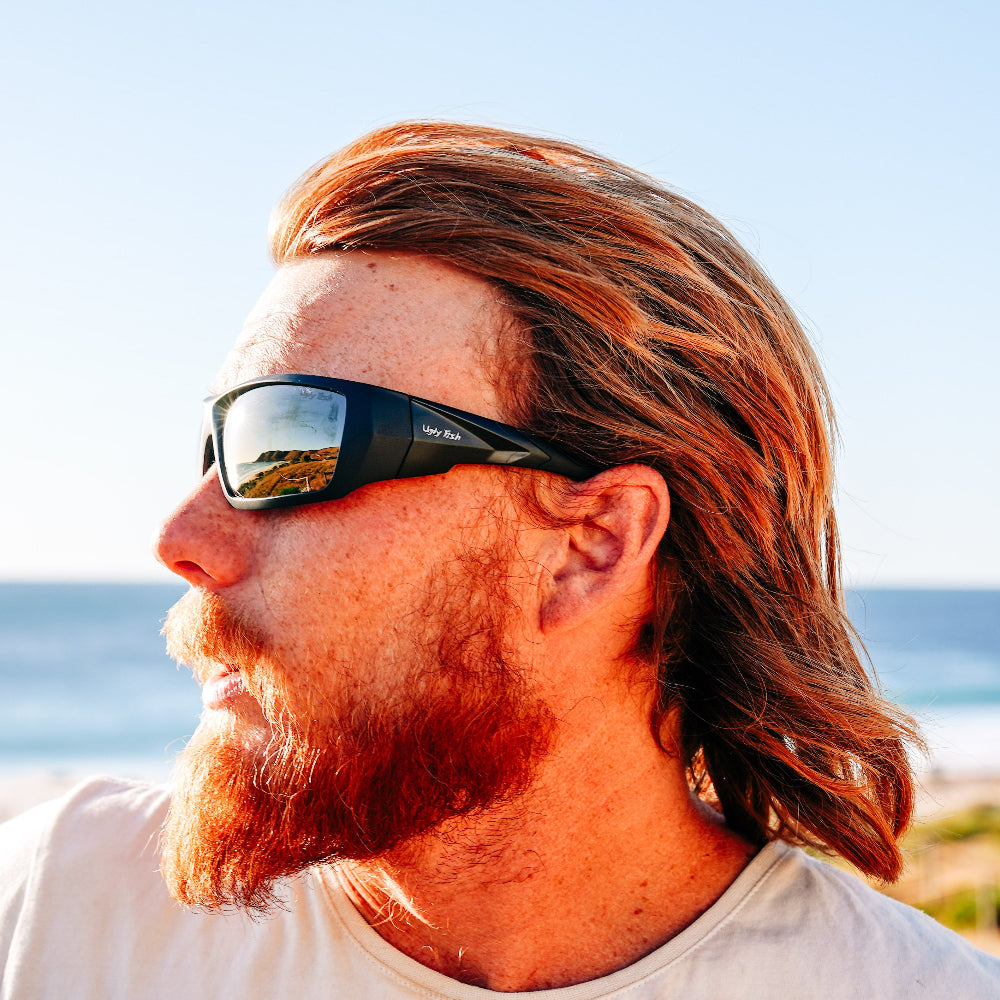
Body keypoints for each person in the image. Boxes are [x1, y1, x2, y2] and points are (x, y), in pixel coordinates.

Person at [2, 122, 998, 999]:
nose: (180, 540)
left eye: (291, 448)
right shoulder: (55, 915)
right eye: (216, 451)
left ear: (591, 545)